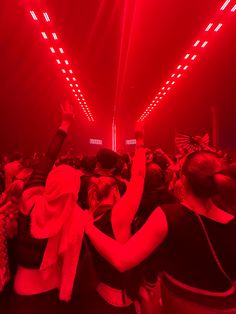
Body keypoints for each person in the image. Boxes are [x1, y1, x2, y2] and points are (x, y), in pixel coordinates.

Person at [85, 150, 236, 313]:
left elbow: (122, 260)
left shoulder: (168, 216)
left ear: (183, 180)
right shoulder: (232, 221)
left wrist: (88, 227)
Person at [9, 101, 84, 314]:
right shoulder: (75, 217)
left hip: (23, 287)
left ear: (49, 184)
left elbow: (48, 158)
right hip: (54, 288)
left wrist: (65, 125)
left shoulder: (29, 199)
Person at [80, 123, 146, 313]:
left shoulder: (87, 218)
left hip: (97, 294)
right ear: (116, 192)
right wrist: (140, 143)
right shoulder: (117, 217)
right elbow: (139, 177)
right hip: (118, 300)